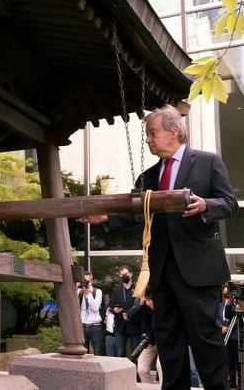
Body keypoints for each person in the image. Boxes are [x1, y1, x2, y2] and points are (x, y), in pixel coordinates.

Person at [79, 105, 238, 389]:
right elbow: (136, 212)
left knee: (205, 341)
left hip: (199, 271)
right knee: (168, 342)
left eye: (153, 133)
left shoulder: (207, 162)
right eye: (147, 134)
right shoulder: (148, 177)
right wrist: (107, 218)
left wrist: (205, 205)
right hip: (161, 272)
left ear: (174, 131)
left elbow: (228, 203)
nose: (148, 139)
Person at [127, 292, 162, 384]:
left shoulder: (162, 302)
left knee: (161, 367)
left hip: (164, 341)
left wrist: (154, 306)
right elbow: (130, 315)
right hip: (149, 342)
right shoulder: (142, 305)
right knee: (142, 369)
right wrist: (139, 304)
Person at [109, 265, 141, 356]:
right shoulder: (117, 289)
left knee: (135, 353)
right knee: (120, 353)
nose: (124, 276)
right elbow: (111, 305)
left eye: (126, 274)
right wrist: (114, 309)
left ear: (131, 274)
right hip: (120, 326)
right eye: (122, 274)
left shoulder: (137, 288)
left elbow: (140, 306)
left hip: (134, 325)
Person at [77, 271, 103, 355]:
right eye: (83, 280)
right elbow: (72, 305)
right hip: (83, 325)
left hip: (95, 326)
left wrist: (89, 295)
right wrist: (76, 288)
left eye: (87, 281)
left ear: (91, 278)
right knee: (83, 354)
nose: (85, 283)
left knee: (97, 353)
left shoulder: (97, 291)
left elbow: (95, 308)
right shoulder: (79, 292)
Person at [217, 289, 238, 388]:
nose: (226, 294)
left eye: (228, 292)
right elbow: (216, 318)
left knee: (237, 360)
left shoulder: (236, 305)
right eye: (225, 292)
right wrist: (221, 327)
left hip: (235, 336)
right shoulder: (220, 306)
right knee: (229, 360)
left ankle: (240, 382)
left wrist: (228, 328)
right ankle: (231, 382)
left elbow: (237, 319)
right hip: (224, 336)